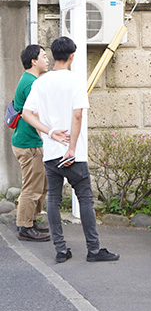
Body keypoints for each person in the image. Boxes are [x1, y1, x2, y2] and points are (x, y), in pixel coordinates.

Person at [22, 36, 119, 264]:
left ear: (54, 56)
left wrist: (49, 132)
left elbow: (27, 114)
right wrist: (72, 148)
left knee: (53, 200)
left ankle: (60, 250)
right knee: (85, 199)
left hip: (51, 152)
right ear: (72, 56)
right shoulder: (75, 81)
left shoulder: (40, 83)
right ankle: (93, 250)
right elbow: (77, 115)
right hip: (73, 154)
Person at [11, 44, 50, 242]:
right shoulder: (31, 83)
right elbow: (31, 114)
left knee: (40, 186)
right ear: (34, 61)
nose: (47, 59)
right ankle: (25, 227)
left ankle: (31, 220)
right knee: (32, 188)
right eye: (43, 56)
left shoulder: (30, 80)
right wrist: (46, 135)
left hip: (29, 142)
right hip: (29, 144)